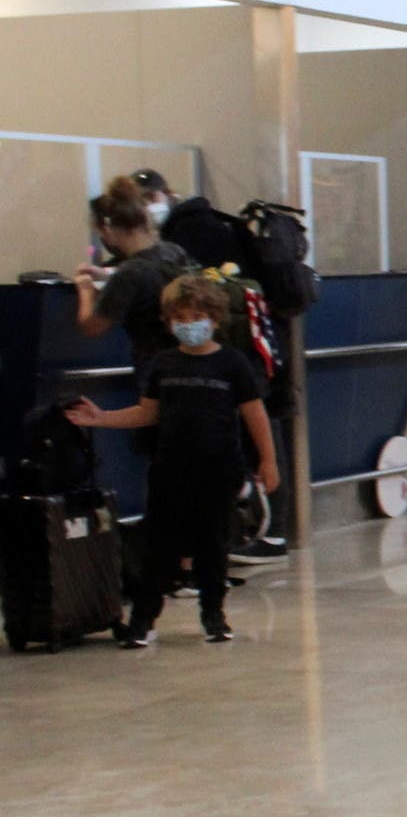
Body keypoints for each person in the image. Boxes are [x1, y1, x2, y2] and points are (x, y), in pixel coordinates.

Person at [67, 271, 280, 648]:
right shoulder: (164, 364)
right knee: (159, 546)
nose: (188, 325)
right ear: (168, 323)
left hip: (218, 470)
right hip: (170, 470)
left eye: (196, 317)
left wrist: (268, 461)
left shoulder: (231, 363)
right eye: (179, 319)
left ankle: (213, 614)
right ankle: (143, 620)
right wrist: (102, 418)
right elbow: (147, 413)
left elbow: (255, 414)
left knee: (211, 546)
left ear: (214, 318)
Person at [77, 179, 195, 366]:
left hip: (155, 369)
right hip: (190, 361)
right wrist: (108, 276)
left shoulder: (129, 273)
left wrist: (85, 290)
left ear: (107, 229)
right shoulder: (174, 251)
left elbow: (92, 327)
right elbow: (153, 279)